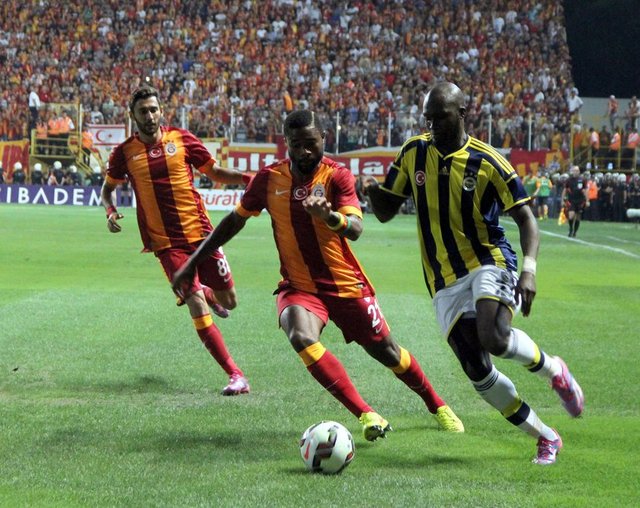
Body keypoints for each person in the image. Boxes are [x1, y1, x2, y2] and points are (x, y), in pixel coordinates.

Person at [172, 109, 464, 441]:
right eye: (297, 144)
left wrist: (330, 217)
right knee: (300, 336)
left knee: (388, 353)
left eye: (311, 143)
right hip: (298, 287)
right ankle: (366, 414)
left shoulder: (337, 176)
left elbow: (355, 228)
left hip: (345, 285)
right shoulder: (268, 179)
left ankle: (438, 405)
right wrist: (193, 263)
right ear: (287, 143)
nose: (305, 151)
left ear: (324, 138)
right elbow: (233, 222)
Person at [364, 82, 584, 465]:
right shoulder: (414, 152)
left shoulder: (489, 161)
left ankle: (554, 370)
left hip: (489, 260)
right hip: (441, 279)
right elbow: (385, 211)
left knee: (493, 337)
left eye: (441, 117)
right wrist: (371, 191)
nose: (432, 125)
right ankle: (545, 436)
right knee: (477, 368)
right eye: (428, 118)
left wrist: (529, 271)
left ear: (463, 114)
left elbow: (526, 219)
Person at [100, 84, 251, 396]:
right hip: (165, 244)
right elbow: (107, 189)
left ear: (161, 111)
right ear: (132, 115)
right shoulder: (124, 153)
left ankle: (209, 292)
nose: (149, 115)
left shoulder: (182, 139)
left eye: (153, 109)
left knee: (229, 301)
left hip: (203, 235)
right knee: (194, 302)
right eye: (143, 111)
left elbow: (215, 172)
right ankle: (236, 374)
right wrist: (110, 211)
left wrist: (247, 179)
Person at [562, 165, 588, 237]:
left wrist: (587, 200)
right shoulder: (569, 180)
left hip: (580, 200)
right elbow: (565, 190)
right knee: (571, 216)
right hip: (571, 200)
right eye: (574, 170)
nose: (575, 172)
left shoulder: (582, 180)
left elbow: (585, 190)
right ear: (572, 171)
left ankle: (575, 232)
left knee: (578, 217)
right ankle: (571, 229)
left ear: (579, 171)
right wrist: (562, 200)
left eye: (577, 170)